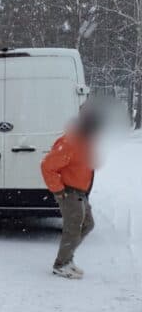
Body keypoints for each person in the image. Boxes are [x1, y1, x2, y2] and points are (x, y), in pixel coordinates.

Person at [41, 106, 101, 279]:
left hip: (81, 193)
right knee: (73, 229)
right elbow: (47, 166)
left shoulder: (86, 141)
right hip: (69, 193)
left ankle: (67, 258)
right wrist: (58, 190)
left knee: (88, 224)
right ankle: (61, 265)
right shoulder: (70, 143)